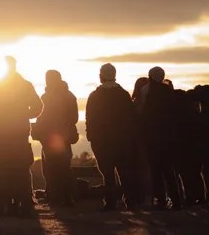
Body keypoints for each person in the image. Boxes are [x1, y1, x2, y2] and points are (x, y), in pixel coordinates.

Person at [0, 56, 42, 218]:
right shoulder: (24, 85)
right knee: (18, 170)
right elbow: (37, 106)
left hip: (0, 135)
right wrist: (25, 115)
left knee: (1, 170)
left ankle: (3, 206)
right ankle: (24, 205)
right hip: (16, 134)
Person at [85, 62, 136, 211]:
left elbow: (90, 118)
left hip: (102, 140)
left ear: (101, 76)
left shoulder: (94, 96)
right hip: (122, 139)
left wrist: (91, 136)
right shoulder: (124, 94)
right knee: (124, 171)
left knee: (107, 173)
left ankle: (111, 202)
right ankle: (130, 201)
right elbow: (130, 118)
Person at [34, 69, 80, 207]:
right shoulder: (69, 96)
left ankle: (54, 196)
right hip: (65, 137)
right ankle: (66, 197)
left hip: (49, 138)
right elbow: (75, 118)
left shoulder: (46, 97)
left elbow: (42, 118)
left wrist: (38, 131)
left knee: (50, 168)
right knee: (64, 167)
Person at [142, 67, 184, 209]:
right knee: (169, 171)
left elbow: (141, 112)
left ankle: (160, 200)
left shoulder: (146, 91)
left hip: (152, 137)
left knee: (156, 172)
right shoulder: (168, 92)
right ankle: (176, 200)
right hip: (167, 138)